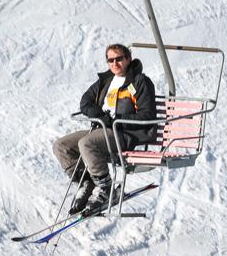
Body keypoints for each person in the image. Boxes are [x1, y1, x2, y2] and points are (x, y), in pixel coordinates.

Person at [53, 43, 157, 215]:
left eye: (119, 59)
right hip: (103, 129)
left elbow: (147, 115)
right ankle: (86, 181)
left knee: (87, 143)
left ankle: (106, 188)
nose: (115, 63)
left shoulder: (140, 82)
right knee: (61, 146)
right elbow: (85, 101)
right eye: (111, 60)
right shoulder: (106, 80)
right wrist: (100, 116)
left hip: (125, 134)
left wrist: (117, 120)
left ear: (128, 59)